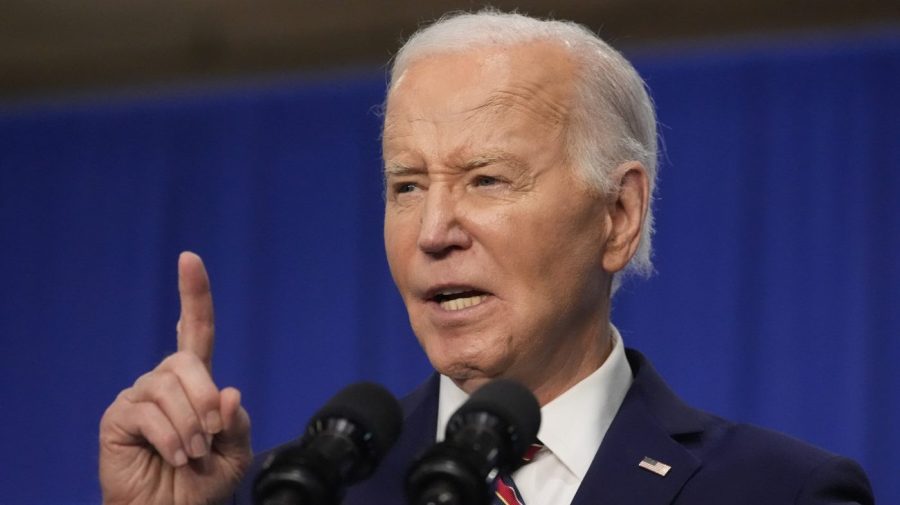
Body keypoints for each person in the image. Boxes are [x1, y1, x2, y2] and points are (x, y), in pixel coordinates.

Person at [99, 10, 874, 505]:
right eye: (406, 185)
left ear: (618, 214)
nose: (434, 228)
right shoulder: (294, 492)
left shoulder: (777, 491)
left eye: (487, 179)